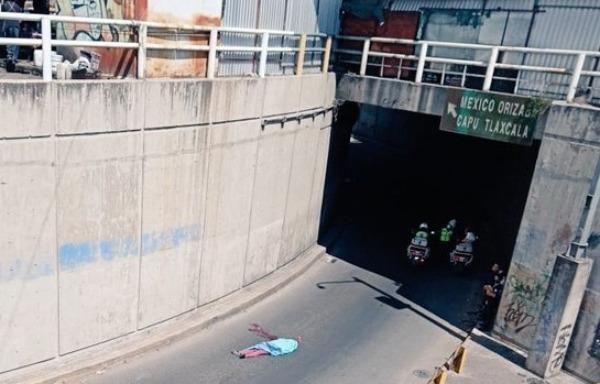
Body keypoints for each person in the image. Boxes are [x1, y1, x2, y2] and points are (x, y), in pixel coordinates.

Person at [232, 324, 301, 359]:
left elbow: (269, 336)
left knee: (256, 347)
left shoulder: (287, 341)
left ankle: (240, 352)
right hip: (276, 351)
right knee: (259, 352)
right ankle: (245, 356)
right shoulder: (292, 348)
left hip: (274, 346)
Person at [478, 263, 505, 331]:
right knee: (485, 308)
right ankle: (482, 321)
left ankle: (485, 326)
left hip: (494, 300)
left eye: (495, 266)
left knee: (489, 311)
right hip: (488, 297)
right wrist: (487, 287)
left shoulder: (502, 278)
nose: (493, 267)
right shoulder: (492, 275)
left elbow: (500, 292)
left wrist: (492, 294)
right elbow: (486, 283)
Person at [1, 0, 23, 72]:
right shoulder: (18, 5)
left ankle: (9, 58)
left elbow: (2, 17)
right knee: (15, 43)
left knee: (9, 43)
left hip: (7, 25)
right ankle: (13, 60)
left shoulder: (5, 4)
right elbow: (20, 19)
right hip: (16, 25)